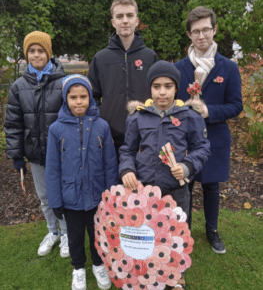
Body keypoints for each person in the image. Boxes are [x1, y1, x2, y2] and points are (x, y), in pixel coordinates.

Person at [119, 60, 210, 290]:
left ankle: (176, 275)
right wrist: (128, 169)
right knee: (148, 234)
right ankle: (149, 271)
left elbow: (202, 148)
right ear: (150, 88)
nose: (162, 92)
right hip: (145, 192)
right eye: (157, 86)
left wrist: (187, 165)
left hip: (176, 190)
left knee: (176, 234)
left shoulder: (190, 116)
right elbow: (128, 149)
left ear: (176, 88)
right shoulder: (138, 117)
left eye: (168, 86)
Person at [174, 6, 243, 254]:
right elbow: (172, 102)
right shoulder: (179, 68)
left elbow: (236, 105)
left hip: (215, 137)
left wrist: (209, 111)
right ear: (189, 35)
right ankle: (184, 231)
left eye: (206, 30)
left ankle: (212, 231)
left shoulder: (228, 68)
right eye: (196, 31)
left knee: (212, 186)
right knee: (186, 185)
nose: (201, 36)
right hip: (185, 139)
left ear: (214, 30)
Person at [45, 74, 118, 290]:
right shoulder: (56, 129)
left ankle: (98, 264)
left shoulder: (101, 126)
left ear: (90, 98)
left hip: (97, 196)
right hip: (70, 198)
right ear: (65, 99)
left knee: (97, 234)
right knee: (75, 236)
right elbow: (52, 169)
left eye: (83, 96)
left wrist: (110, 195)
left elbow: (110, 163)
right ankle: (78, 268)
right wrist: (55, 200)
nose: (79, 102)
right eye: (73, 97)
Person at [4, 31, 70, 258]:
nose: (36, 55)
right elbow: (13, 123)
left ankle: (66, 233)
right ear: (26, 54)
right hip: (35, 154)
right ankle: (53, 231)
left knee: (63, 195)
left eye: (40, 50)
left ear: (48, 53)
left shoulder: (63, 82)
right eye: (31, 51)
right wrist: (16, 156)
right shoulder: (18, 86)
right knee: (45, 196)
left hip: (62, 153)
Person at [88, 0, 158, 159]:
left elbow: (159, 93)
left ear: (137, 21)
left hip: (145, 136)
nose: (125, 21)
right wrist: (103, 119)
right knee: (114, 184)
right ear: (113, 22)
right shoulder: (101, 58)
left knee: (144, 184)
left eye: (129, 15)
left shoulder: (150, 57)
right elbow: (92, 97)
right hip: (110, 138)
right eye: (120, 16)